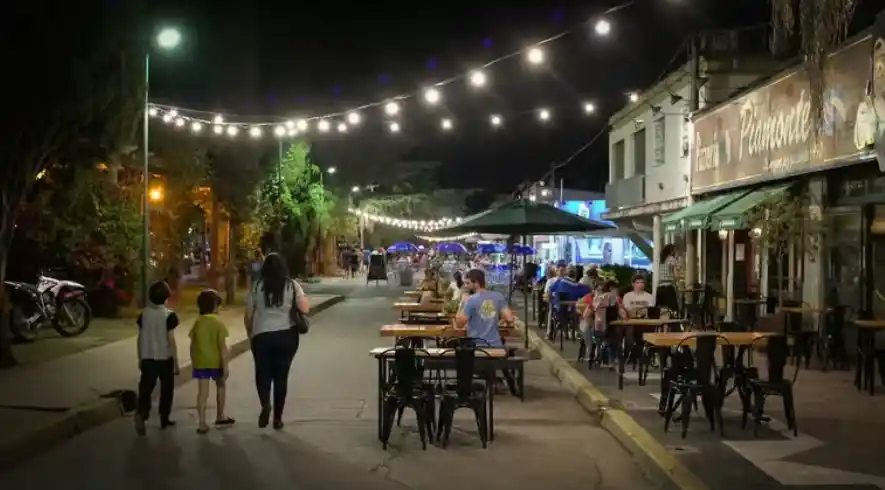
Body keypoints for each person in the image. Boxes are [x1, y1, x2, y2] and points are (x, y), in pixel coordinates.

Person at [245, 253, 309, 430]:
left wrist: (251, 335)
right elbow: (304, 308)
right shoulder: (292, 285)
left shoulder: (258, 286)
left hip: (262, 336)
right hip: (286, 335)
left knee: (262, 375)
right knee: (281, 377)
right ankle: (278, 419)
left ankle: (265, 404)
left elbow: (248, 315)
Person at [134, 280, 180, 436]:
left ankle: (142, 412)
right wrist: (176, 362)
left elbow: (140, 337)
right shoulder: (169, 316)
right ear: (166, 298)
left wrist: (140, 356)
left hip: (148, 357)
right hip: (164, 358)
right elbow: (171, 340)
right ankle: (164, 417)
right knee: (167, 389)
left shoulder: (144, 314)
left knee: (146, 388)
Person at [189, 289, 234, 434]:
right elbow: (222, 347)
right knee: (220, 386)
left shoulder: (197, 323)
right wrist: (225, 365)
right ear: (215, 306)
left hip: (201, 362)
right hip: (216, 362)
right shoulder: (218, 324)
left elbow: (193, 344)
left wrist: (194, 360)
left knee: (202, 392)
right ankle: (220, 415)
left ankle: (201, 422)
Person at [455, 268, 514, 348]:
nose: (466, 286)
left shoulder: (471, 300)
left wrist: (462, 303)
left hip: (477, 346)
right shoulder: (498, 296)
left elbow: (459, 324)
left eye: (468, 283)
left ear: (476, 283)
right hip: (496, 345)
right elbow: (510, 319)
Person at [581, 280, 624, 368]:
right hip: (601, 329)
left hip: (611, 327)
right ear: (611, 289)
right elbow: (586, 315)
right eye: (616, 290)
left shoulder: (615, 301)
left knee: (616, 335)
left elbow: (622, 315)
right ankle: (606, 359)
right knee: (611, 338)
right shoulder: (598, 300)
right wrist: (594, 326)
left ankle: (611, 360)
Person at [657, 244, 680, 314]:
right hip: (668, 287)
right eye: (675, 250)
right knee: (673, 309)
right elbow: (676, 276)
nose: (677, 252)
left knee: (662, 309)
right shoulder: (672, 259)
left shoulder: (660, 260)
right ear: (672, 251)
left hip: (659, 287)